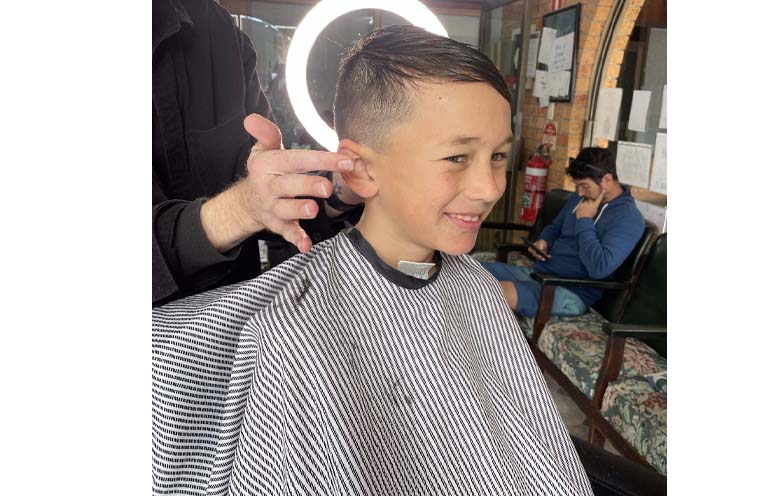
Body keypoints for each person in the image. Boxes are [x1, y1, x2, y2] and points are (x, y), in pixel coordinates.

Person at [152, 25, 593, 495]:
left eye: (500, 155)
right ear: (359, 170)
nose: (490, 188)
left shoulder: (479, 289)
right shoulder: (295, 334)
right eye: (457, 157)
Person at [152, 0, 362, 306]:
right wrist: (243, 208)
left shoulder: (216, 29)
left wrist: (341, 188)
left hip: (242, 316)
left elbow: (267, 188)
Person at [481, 147, 645, 317]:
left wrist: (584, 221)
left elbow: (599, 268)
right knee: (470, 273)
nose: (579, 192)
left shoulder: (628, 218)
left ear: (607, 180)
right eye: (577, 186)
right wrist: (544, 241)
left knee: (490, 292)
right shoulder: (580, 197)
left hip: (569, 291)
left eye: (584, 186)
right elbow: (555, 227)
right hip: (539, 274)